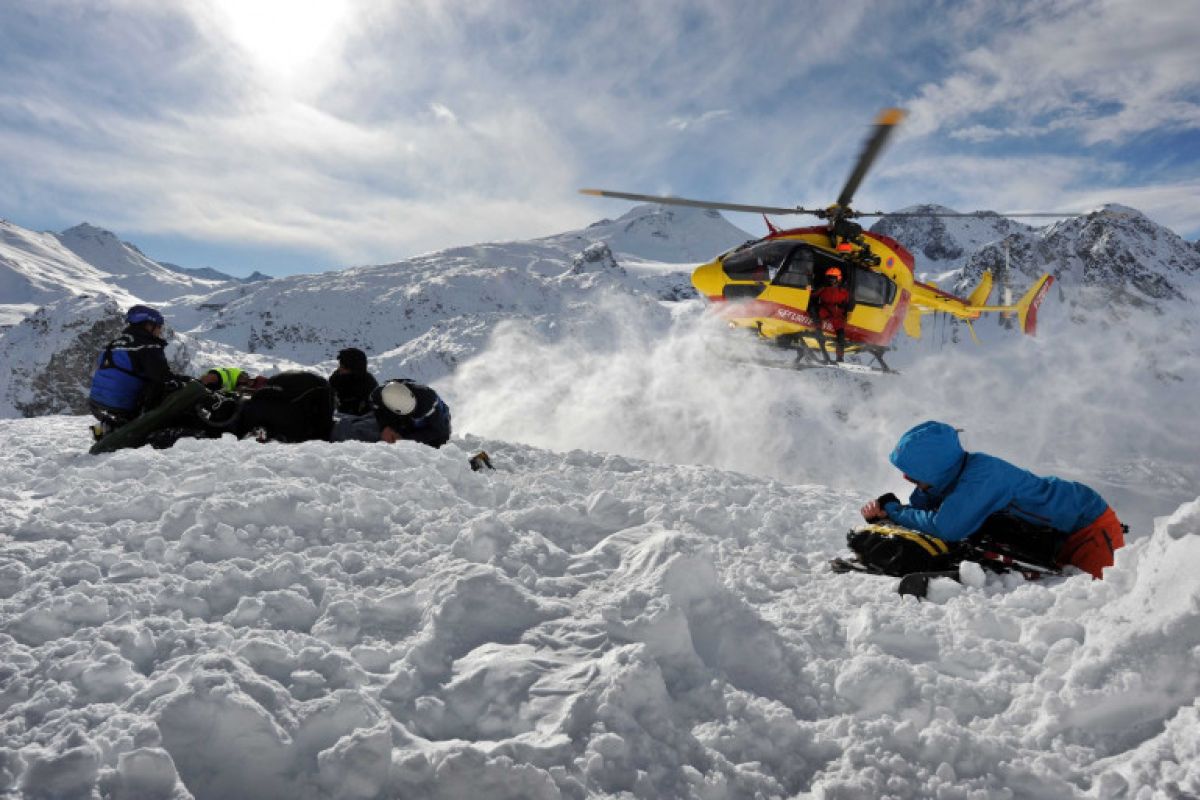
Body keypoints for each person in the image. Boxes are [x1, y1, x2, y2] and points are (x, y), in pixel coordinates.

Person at [861, 420, 1125, 579]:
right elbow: (924, 512)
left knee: (1102, 601)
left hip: (1087, 527)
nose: (909, 479)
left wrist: (895, 511)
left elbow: (946, 526)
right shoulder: (953, 475)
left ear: (935, 469)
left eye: (914, 475)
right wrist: (886, 512)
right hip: (1055, 536)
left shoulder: (982, 477)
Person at [88, 305, 191, 436]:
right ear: (148, 326)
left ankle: (110, 426)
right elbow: (162, 377)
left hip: (96, 405)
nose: (160, 331)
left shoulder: (112, 345)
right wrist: (184, 383)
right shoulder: (147, 346)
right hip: (122, 407)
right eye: (158, 326)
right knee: (165, 387)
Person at [331, 378, 451, 448]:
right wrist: (385, 426)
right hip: (393, 419)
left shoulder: (429, 406)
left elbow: (440, 432)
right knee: (366, 428)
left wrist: (405, 439)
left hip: (429, 433)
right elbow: (377, 408)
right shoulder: (381, 394)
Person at [810, 267, 851, 363]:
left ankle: (840, 357)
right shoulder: (823, 288)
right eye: (829, 278)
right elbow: (813, 295)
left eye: (833, 278)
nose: (831, 280)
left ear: (839, 278)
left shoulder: (844, 292)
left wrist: (847, 311)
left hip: (837, 314)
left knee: (841, 334)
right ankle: (818, 331)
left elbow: (850, 303)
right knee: (815, 312)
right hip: (825, 309)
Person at [329, 347, 379, 415]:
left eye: (344, 367)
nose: (340, 369)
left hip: (363, 421)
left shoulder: (368, 384)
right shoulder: (336, 379)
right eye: (340, 365)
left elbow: (375, 409)